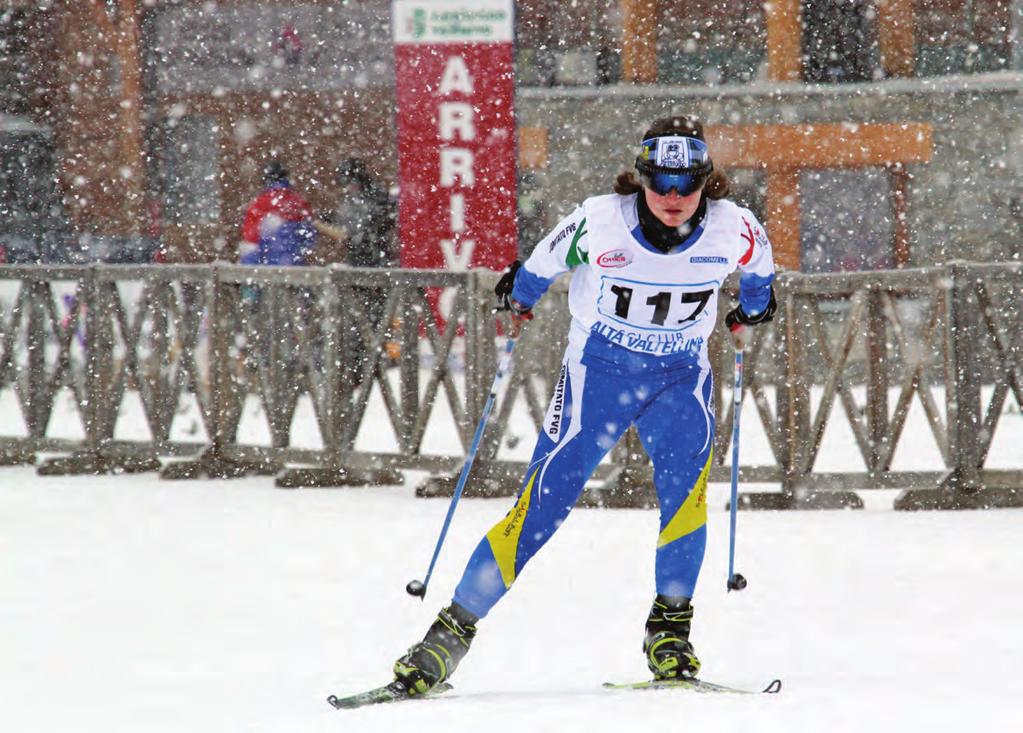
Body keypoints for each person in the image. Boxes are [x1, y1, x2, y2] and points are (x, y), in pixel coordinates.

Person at [389, 116, 778, 696]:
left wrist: (751, 310)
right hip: (598, 374)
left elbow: (760, 276)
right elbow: (537, 268)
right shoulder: (599, 222)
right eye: (660, 184)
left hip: (679, 378)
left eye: (687, 186)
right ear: (641, 179)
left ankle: (670, 633)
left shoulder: (734, 228)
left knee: (686, 496)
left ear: (706, 184)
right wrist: (517, 299)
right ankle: (446, 636)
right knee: (543, 504)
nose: (673, 198)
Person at [239, 159, 317, 266]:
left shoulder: (259, 204)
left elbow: (250, 237)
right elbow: (309, 237)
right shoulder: (298, 203)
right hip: (295, 268)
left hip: (264, 269)